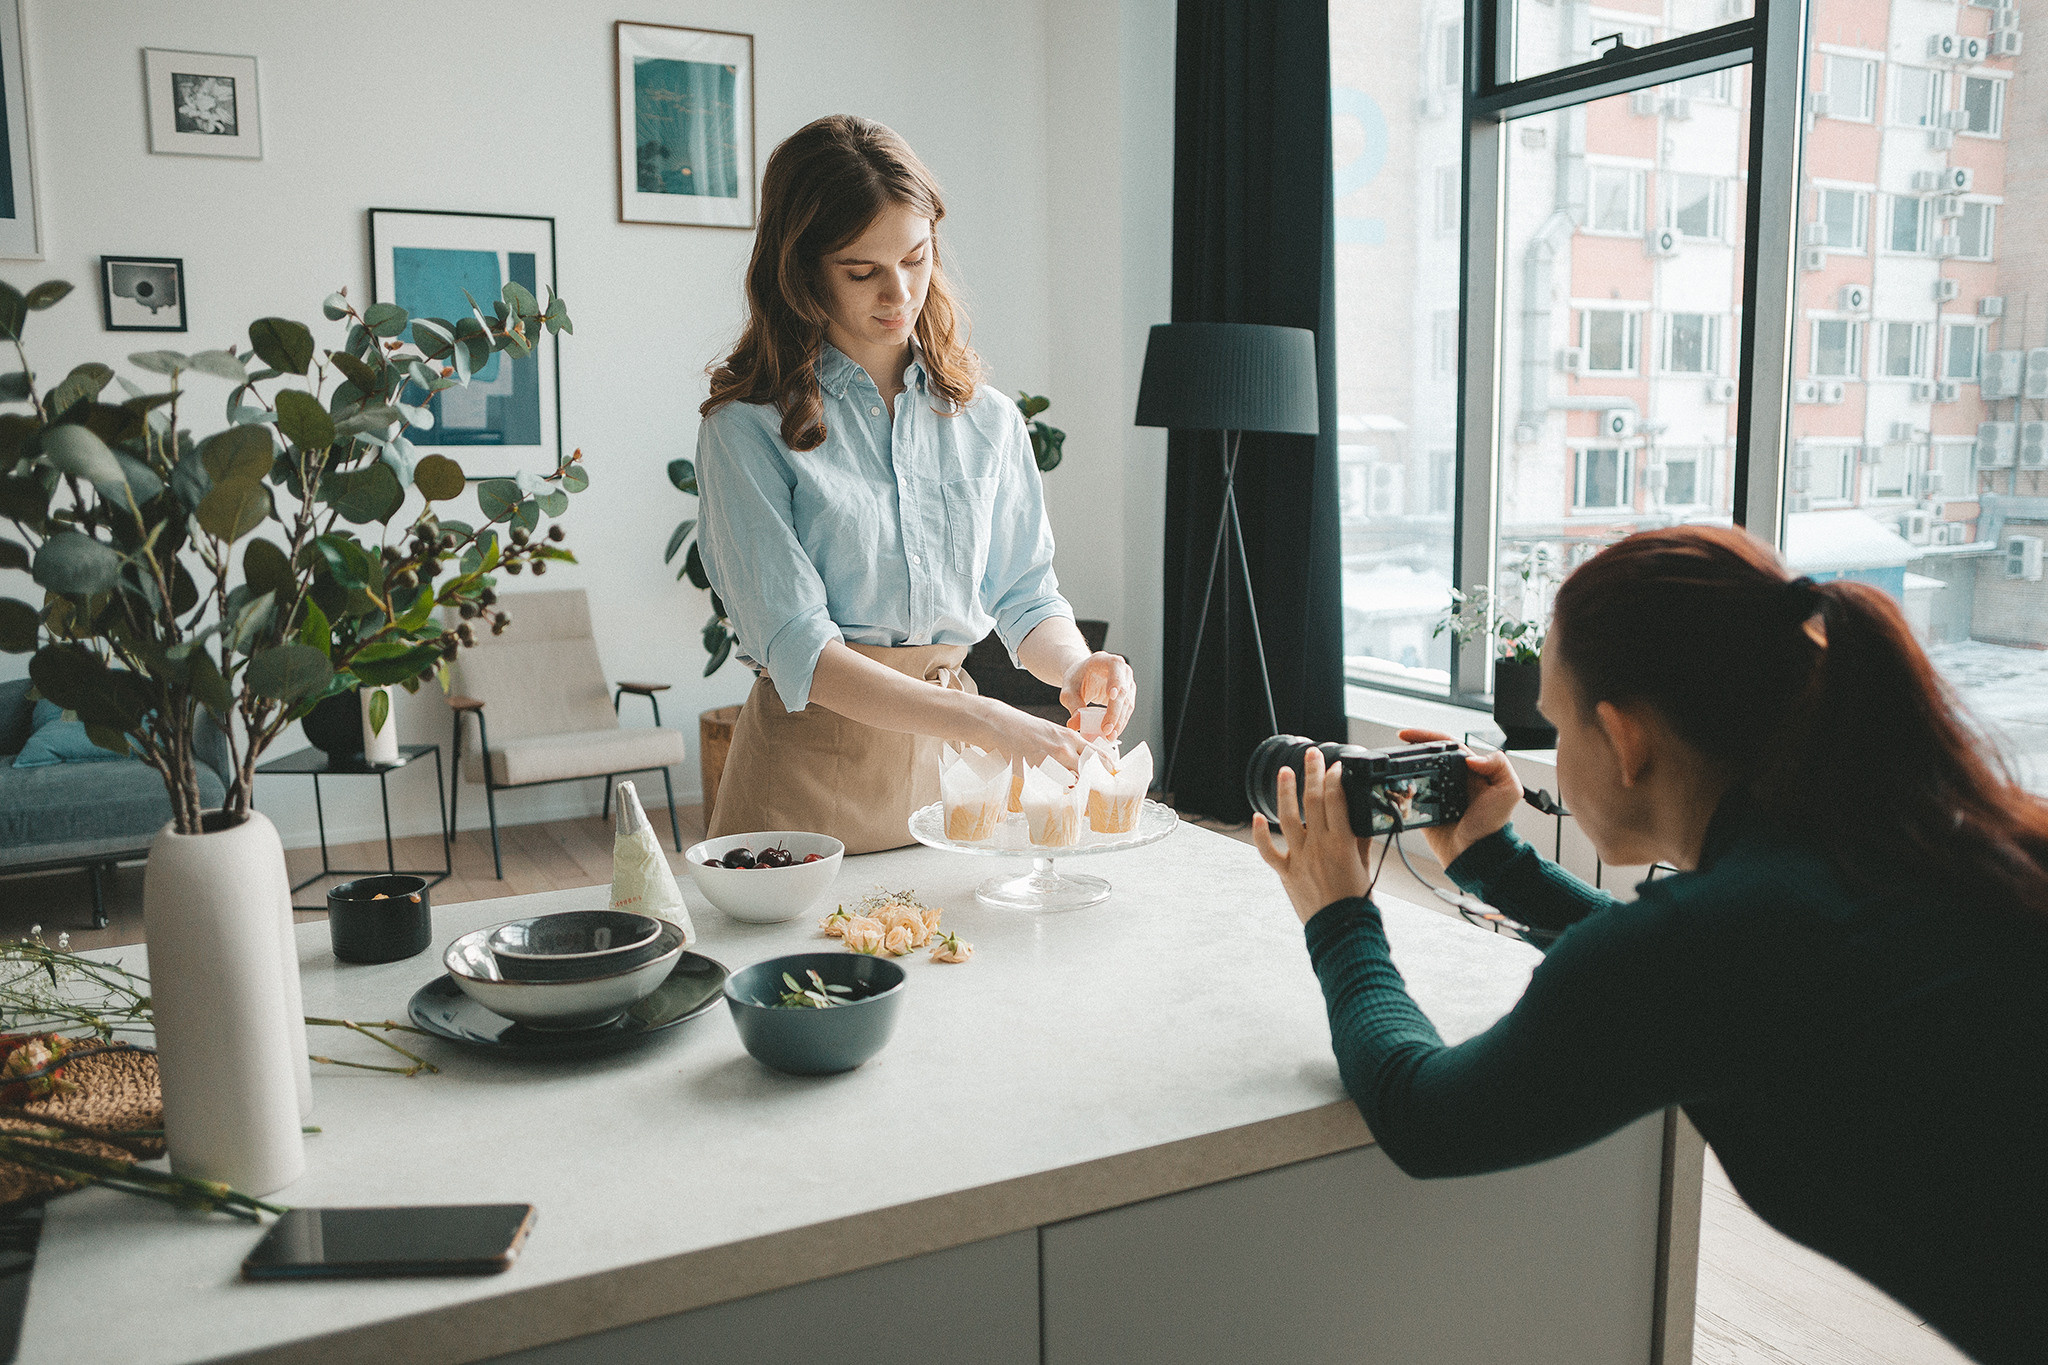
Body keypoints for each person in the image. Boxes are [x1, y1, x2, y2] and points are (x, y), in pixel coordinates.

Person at [1252, 525, 2048, 1365]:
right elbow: (1694, 976)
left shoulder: (1707, 944)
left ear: (1626, 739)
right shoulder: (1892, 840)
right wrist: (1497, 863)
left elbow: (1426, 1116)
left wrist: (1337, 912)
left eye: (1559, 725)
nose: (1554, 754)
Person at [695, 115, 1133, 851]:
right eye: (860, 271)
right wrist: (990, 719)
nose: (898, 292)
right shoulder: (745, 429)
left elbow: (1025, 595)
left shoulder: (987, 419)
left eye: (916, 257)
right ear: (801, 272)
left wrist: (1077, 662)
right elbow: (802, 649)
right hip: (801, 789)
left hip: (955, 785)